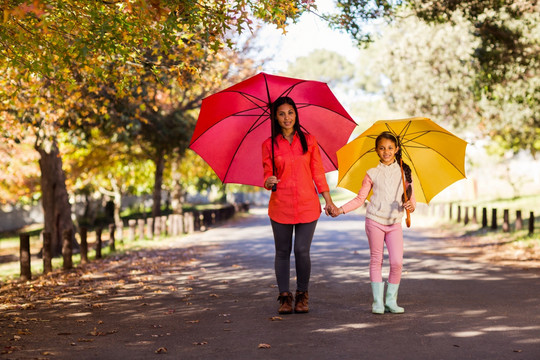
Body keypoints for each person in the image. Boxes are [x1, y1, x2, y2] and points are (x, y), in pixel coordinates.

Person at [262, 96, 337, 314]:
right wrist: (268, 180)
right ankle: (285, 297)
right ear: (275, 117)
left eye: (290, 112)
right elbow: (267, 173)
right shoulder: (269, 145)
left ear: (296, 114)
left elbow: (318, 172)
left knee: (302, 250)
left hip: (307, 204)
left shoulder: (309, 141)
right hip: (280, 205)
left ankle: (302, 295)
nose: (287, 117)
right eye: (282, 113)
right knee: (282, 252)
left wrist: (328, 200)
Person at [330, 131, 415, 314]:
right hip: (374, 221)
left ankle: (391, 301)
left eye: (390, 148)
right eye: (382, 148)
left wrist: (410, 204)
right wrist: (340, 209)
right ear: (377, 150)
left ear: (397, 149)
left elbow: (412, 201)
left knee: (397, 262)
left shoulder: (404, 171)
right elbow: (360, 199)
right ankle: (378, 302)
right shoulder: (372, 173)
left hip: (394, 224)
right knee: (376, 260)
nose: (386, 151)